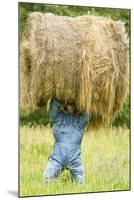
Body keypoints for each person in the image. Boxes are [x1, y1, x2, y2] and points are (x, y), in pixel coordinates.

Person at [43, 97, 89, 184]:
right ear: (64, 104)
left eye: (72, 104)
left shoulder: (80, 120)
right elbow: (54, 105)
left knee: (81, 184)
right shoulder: (58, 116)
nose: (70, 106)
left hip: (74, 159)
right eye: (68, 103)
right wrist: (57, 93)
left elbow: (87, 111)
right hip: (57, 157)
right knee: (46, 179)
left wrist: (86, 95)